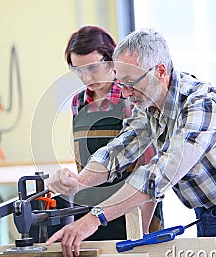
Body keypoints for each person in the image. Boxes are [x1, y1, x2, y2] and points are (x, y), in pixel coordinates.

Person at [45, 28, 216, 257]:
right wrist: (79, 182)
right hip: (206, 210)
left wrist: (93, 219)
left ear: (160, 71)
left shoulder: (203, 105)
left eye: (130, 83)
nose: (125, 93)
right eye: (121, 84)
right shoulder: (150, 107)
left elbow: (162, 172)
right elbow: (117, 152)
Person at [62, 25, 164, 241]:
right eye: (78, 70)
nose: (86, 78)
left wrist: (141, 228)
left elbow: (149, 166)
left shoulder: (134, 97)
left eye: (92, 68)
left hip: (134, 208)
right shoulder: (78, 103)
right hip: (90, 207)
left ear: (111, 60)